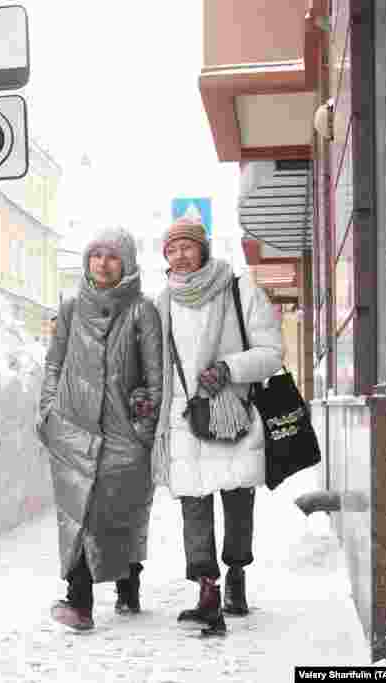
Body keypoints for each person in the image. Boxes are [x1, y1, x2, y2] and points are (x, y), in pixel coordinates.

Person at [151, 216, 283, 636]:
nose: (180, 255)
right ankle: (207, 589)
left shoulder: (240, 289)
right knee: (194, 504)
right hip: (184, 415)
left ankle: (237, 575)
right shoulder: (163, 302)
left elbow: (272, 354)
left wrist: (229, 368)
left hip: (233, 410)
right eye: (172, 250)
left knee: (237, 500)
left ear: (204, 248)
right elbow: (159, 363)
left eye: (187, 246)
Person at [37, 228, 163, 632]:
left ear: (125, 264)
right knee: (79, 515)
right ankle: (80, 601)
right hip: (73, 427)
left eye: (112, 257)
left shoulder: (143, 311)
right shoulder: (72, 308)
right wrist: (47, 413)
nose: (103, 264)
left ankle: (128, 579)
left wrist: (143, 426)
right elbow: (54, 364)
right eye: (96, 256)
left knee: (117, 515)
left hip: (122, 435)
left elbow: (156, 379)